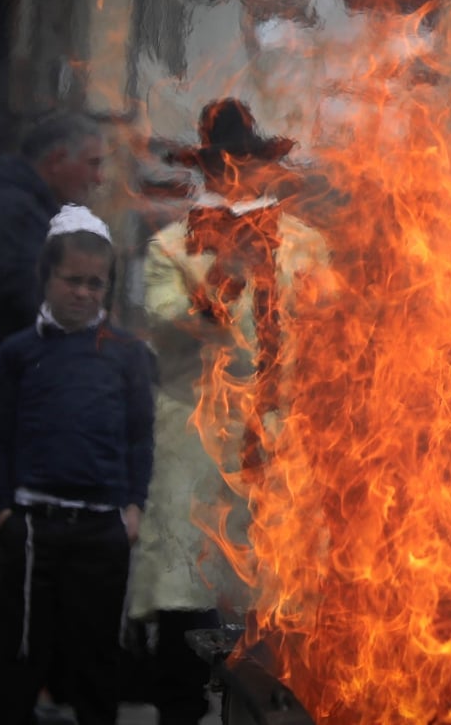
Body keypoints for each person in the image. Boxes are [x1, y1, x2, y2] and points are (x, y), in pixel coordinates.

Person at [128, 98, 331, 724]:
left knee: (276, 603)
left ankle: (261, 713)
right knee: (186, 594)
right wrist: (225, 280)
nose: (237, 174)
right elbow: (165, 322)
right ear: (209, 171)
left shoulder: (306, 246)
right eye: (224, 163)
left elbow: (330, 333)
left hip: (280, 441)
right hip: (196, 441)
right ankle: (179, 713)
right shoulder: (171, 247)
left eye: (248, 162)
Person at [0, 111, 104, 725]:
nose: (96, 176)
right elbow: (38, 299)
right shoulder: (15, 213)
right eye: (90, 162)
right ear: (55, 160)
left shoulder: (16, 206)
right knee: (2, 566)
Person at [0, 205, 153, 725]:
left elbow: (138, 436)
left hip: (103, 527)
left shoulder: (125, 355)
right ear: (47, 277)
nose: (83, 293)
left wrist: (133, 507)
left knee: (97, 655)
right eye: (72, 280)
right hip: (34, 526)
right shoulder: (18, 353)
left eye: (95, 284)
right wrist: (4, 510)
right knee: (21, 652)